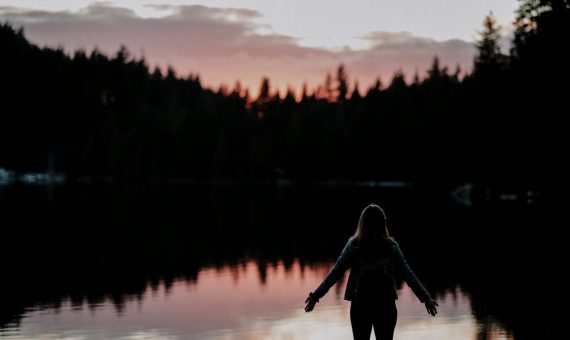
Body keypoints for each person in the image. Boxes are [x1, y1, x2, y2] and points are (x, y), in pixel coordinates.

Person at [304, 204, 438, 340]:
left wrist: (315, 296)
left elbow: (335, 273)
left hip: (360, 306)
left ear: (362, 223)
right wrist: (425, 298)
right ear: (382, 223)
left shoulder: (353, 246)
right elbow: (408, 274)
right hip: (386, 306)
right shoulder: (391, 247)